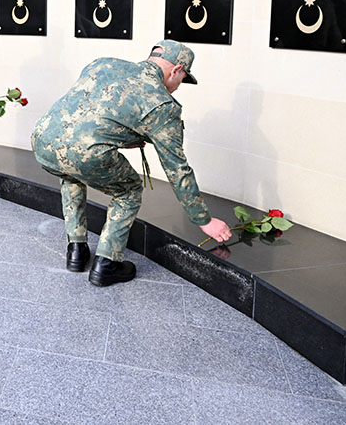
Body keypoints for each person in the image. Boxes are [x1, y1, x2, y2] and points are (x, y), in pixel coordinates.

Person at [31, 40, 232, 287]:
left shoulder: (103, 63)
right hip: (86, 152)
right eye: (182, 79)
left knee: (71, 174)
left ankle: (76, 250)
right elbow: (177, 169)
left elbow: (90, 112)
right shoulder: (163, 105)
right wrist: (204, 220)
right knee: (128, 191)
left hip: (43, 138)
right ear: (176, 69)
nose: (177, 88)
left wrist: (121, 135)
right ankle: (107, 263)